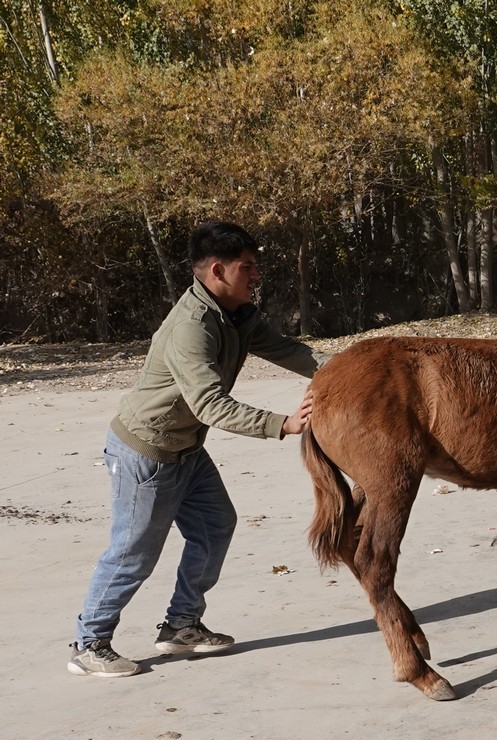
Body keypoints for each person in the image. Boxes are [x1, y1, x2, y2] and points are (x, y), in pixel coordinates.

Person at [68, 221, 331, 677]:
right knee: (133, 553)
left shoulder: (238, 314)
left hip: (186, 449)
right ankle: (89, 644)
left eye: (255, 266)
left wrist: (358, 372)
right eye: (247, 267)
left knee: (214, 526)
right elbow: (209, 403)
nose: (256, 275)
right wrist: (282, 425)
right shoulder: (193, 326)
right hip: (146, 453)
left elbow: (292, 352)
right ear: (217, 270)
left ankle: (181, 627)